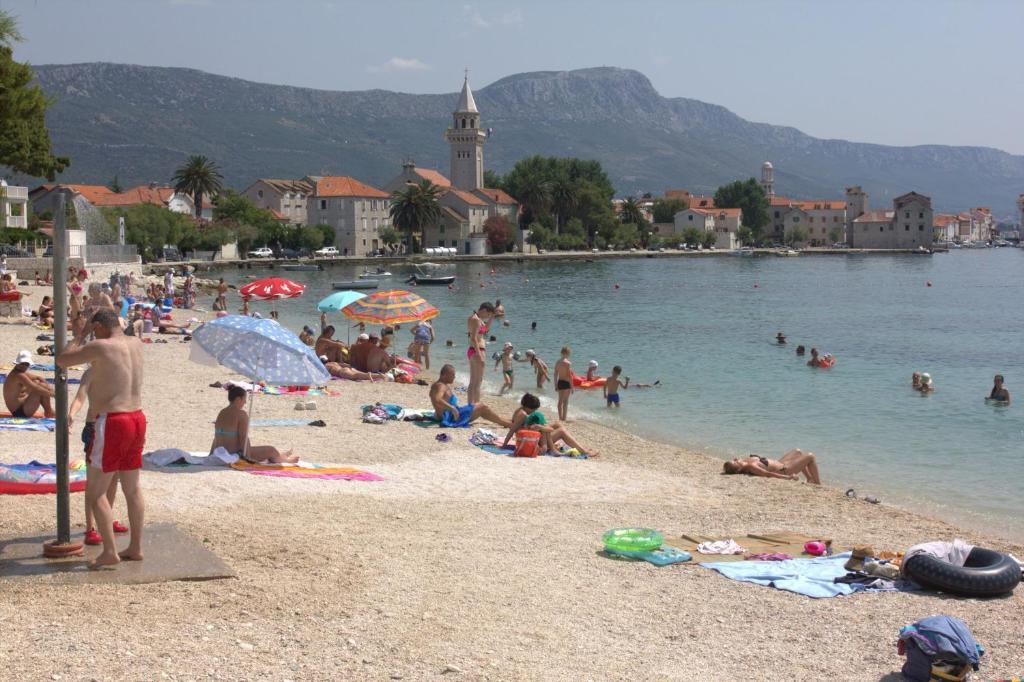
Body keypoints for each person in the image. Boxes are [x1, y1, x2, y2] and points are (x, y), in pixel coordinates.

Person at [56, 308, 146, 570]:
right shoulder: (136, 343)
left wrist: (81, 335)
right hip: (137, 417)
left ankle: (110, 551)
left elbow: (62, 359)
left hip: (113, 421)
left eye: (94, 330)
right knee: (132, 488)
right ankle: (136, 547)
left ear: (99, 327)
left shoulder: (100, 346)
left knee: (96, 493)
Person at [69, 369, 129, 546]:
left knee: (114, 477)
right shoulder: (92, 373)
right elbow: (80, 397)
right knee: (94, 480)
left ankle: (106, 519)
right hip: (95, 425)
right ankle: (91, 527)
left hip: (116, 425)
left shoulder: (119, 369)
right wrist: (72, 414)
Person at [212, 385, 298, 465]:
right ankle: (285, 460)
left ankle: (280, 456)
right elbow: (243, 438)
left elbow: (217, 436)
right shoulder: (241, 414)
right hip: (234, 453)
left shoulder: (222, 412)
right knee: (271, 450)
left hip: (220, 451)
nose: (245, 402)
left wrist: (211, 453)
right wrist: (247, 458)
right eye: (244, 399)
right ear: (238, 399)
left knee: (269, 452)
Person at [500, 393, 597, 456]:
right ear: (528, 407)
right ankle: (584, 451)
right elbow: (512, 429)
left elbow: (515, 426)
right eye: (534, 409)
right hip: (531, 440)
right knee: (561, 431)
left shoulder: (520, 410)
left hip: (531, 436)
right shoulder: (523, 415)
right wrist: (504, 445)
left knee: (557, 424)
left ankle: (579, 447)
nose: (534, 411)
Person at [429, 364, 509, 428]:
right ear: (444, 375)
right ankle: (507, 424)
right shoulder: (441, 386)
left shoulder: (439, 385)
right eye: (452, 375)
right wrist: (452, 408)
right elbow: (437, 399)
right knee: (482, 407)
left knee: (481, 408)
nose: (454, 377)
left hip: (451, 415)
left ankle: (505, 421)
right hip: (452, 418)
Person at [722, 449, 821, 485]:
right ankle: (817, 483)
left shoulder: (746, 461)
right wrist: (788, 477)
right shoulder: (751, 466)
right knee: (810, 456)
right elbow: (767, 474)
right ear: (738, 468)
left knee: (798, 451)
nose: (735, 458)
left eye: (734, 459)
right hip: (784, 470)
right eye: (735, 461)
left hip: (780, 463)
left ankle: (809, 479)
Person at [3, 350, 55, 418]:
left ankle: (49, 411)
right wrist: (54, 395)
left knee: (38, 383)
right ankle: (49, 412)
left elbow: (39, 378)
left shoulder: (20, 372)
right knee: (38, 389)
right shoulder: (18, 375)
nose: (24, 366)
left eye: (26, 364)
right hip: (19, 412)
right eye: (22, 364)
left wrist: (50, 389)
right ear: (17, 363)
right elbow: (35, 388)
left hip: (23, 407)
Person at [466, 302, 495, 406]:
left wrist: (492, 317)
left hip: (473, 350)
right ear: (484, 310)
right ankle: (476, 406)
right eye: (488, 314)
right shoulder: (476, 320)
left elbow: (485, 329)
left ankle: (470, 406)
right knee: (477, 382)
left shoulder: (475, 318)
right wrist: (479, 355)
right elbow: (474, 338)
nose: (487, 316)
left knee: (473, 381)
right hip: (477, 351)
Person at [554, 346, 573, 421]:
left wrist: (555, 385)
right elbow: (569, 376)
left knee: (560, 401)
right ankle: (564, 418)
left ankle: (560, 417)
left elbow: (555, 374)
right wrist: (572, 386)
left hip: (560, 382)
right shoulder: (568, 363)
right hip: (566, 383)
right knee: (565, 401)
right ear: (567, 353)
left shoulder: (557, 362)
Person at [324, 361, 389, 382]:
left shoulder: (326, 366)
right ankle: (378, 375)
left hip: (341, 372)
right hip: (346, 368)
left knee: (356, 376)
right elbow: (346, 364)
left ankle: (378, 376)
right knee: (361, 374)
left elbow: (324, 375)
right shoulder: (333, 363)